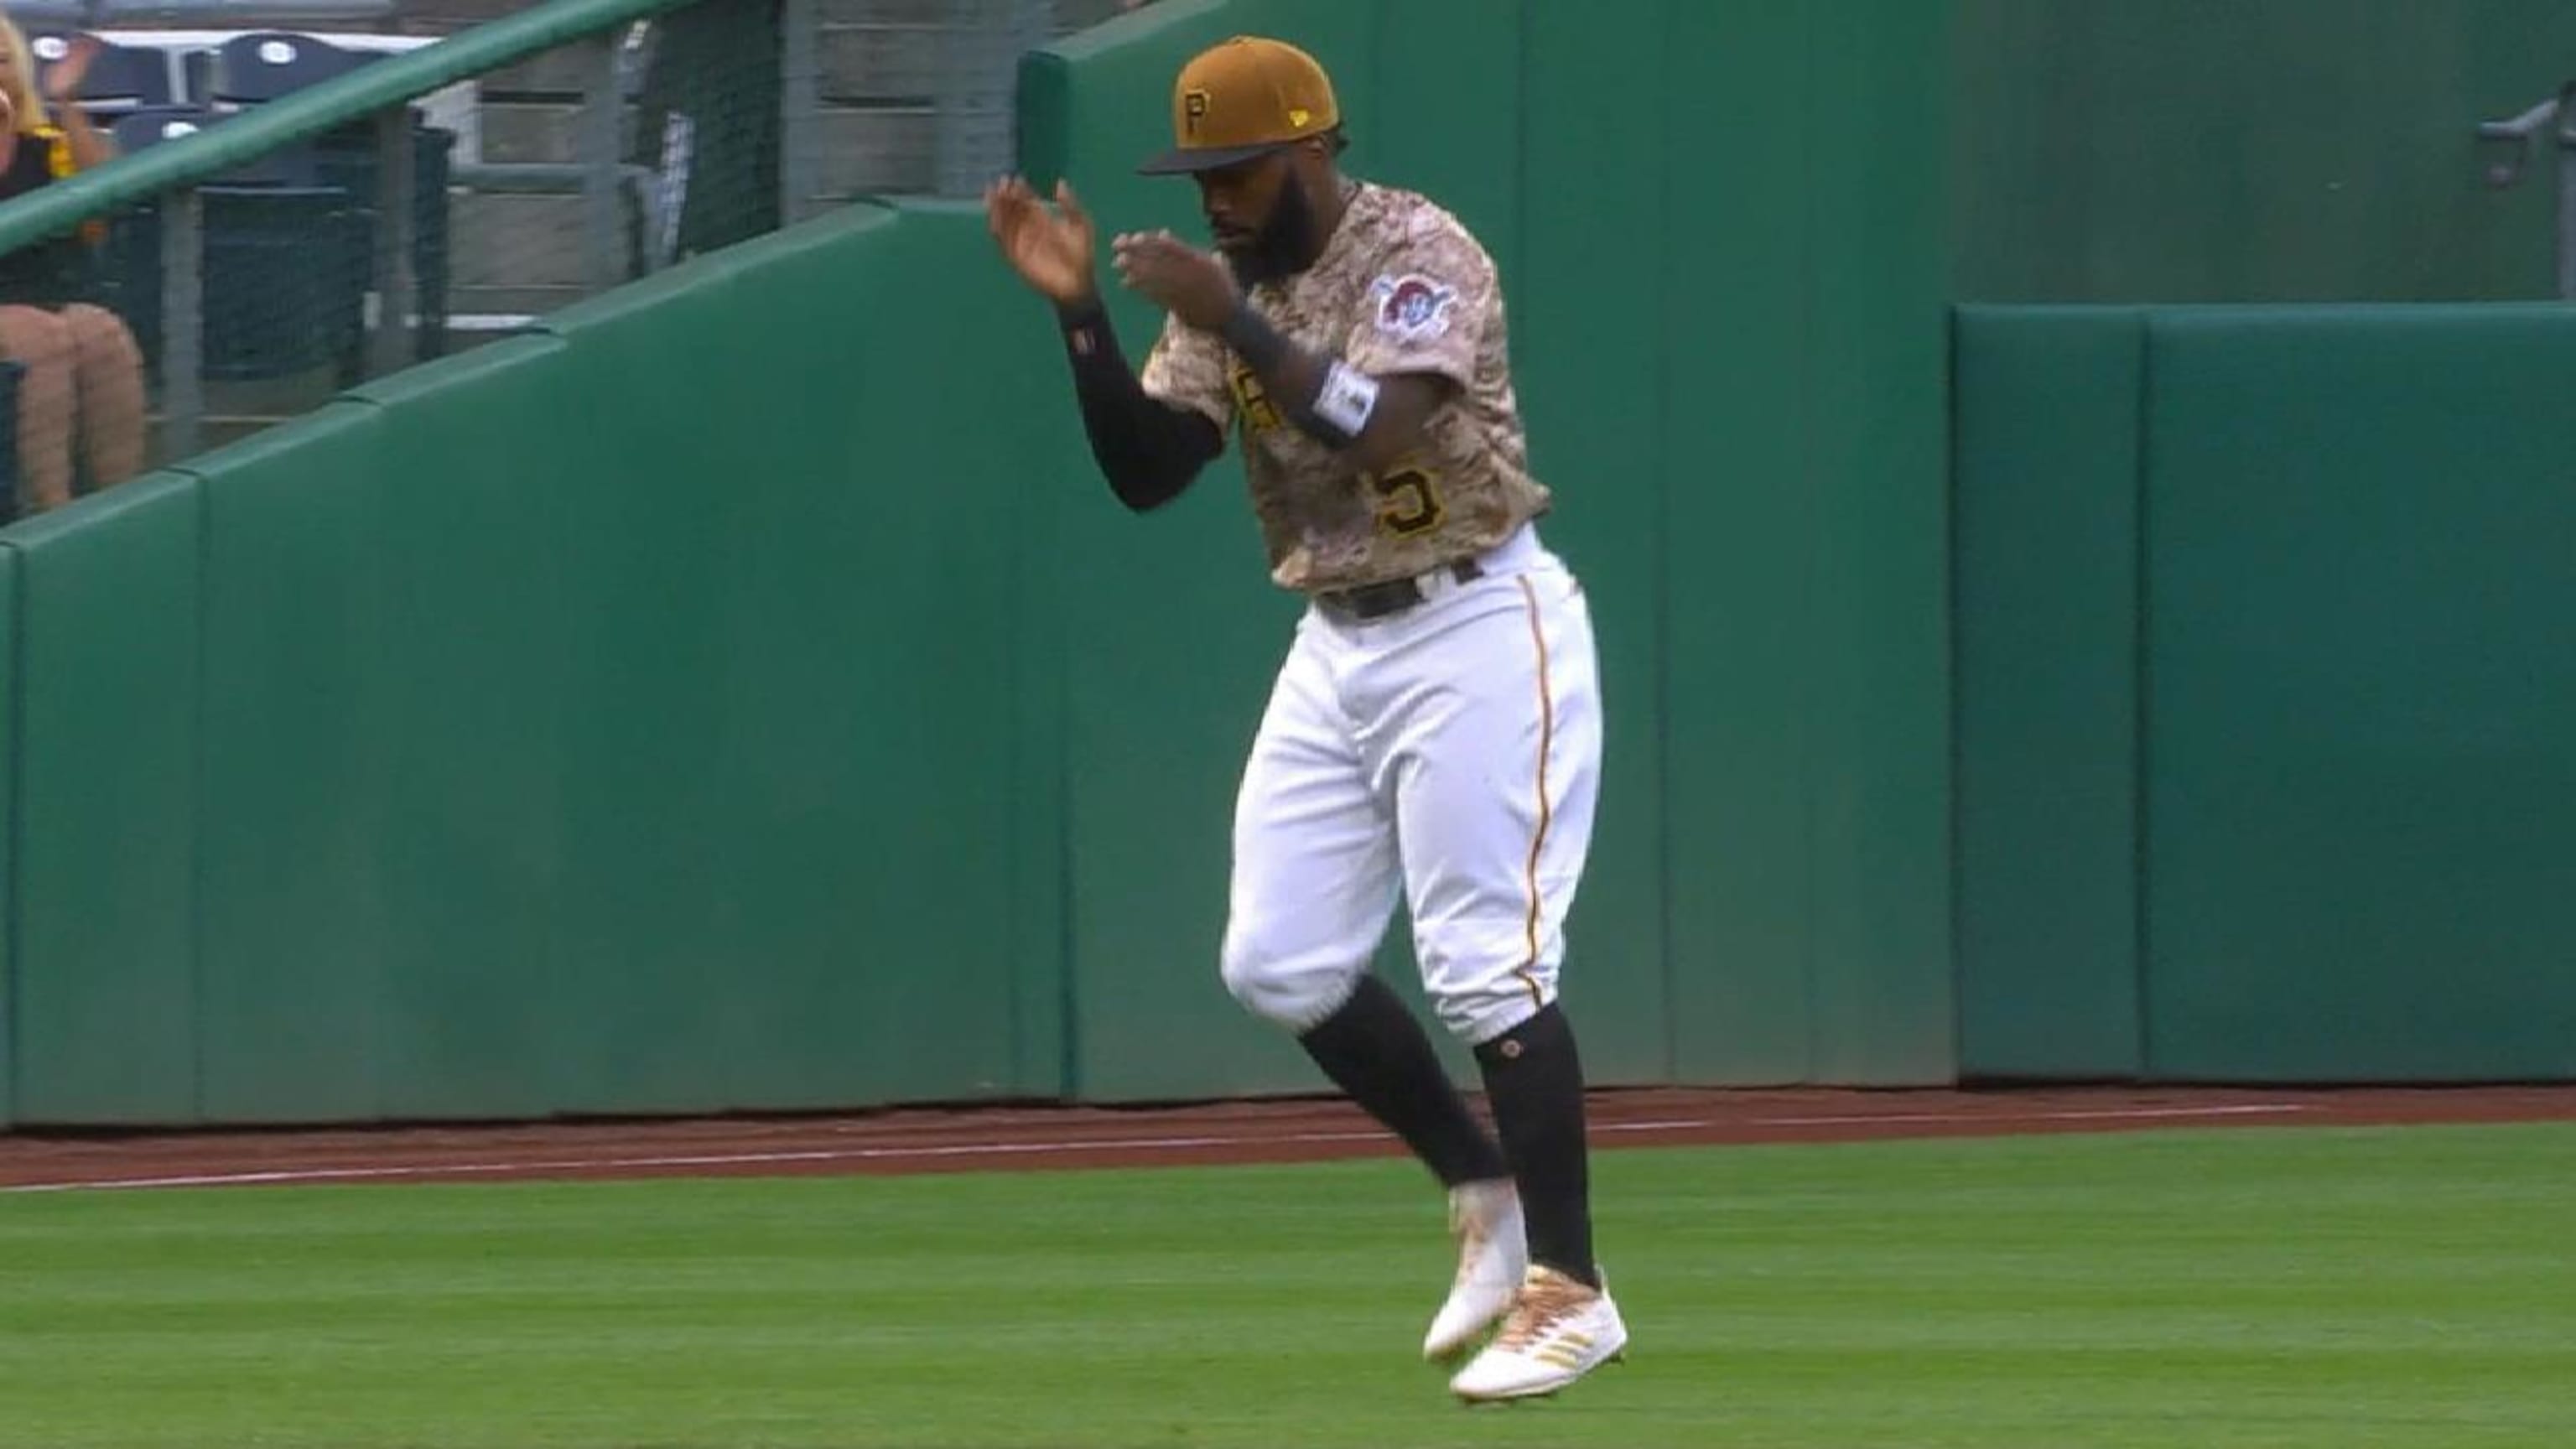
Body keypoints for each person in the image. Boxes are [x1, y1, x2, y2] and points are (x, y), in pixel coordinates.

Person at [985, 34, 1627, 1403]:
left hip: (1474, 617)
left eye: (1239, 167)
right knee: (1276, 959)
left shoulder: (1413, 250)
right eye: (1201, 171)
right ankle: (1481, 1186)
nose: (1217, 193)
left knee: (1484, 968)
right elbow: (1151, 474)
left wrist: (1230, 314)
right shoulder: (1236, 290)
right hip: (1339, 638)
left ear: (1312, 148)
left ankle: (1573, 1292)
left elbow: (1382, 431)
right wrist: (1079, 313)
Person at [0, 17, 145, 515]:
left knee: (101, 333)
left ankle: (118, 506)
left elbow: (97, 214)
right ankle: (52, 513)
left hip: (45, 294)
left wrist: (66, 104)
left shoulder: (45, 142)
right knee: (41, 338)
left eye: (3, 62)